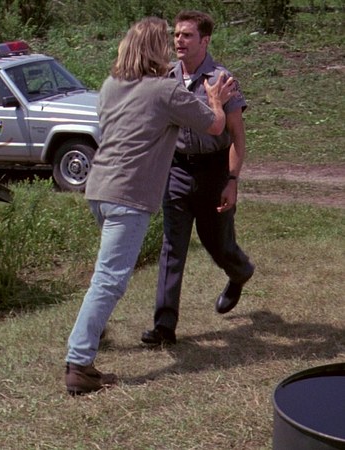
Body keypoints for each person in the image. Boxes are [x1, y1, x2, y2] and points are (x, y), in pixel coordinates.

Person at [64, 16, 237, 395]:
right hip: (128, 197)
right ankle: (79, 364)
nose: (174, 46)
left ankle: (93, 330)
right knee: (110, 279)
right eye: (167, 41)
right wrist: (214, 99)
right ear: (156, 50)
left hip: (98, 189)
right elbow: (214, 125)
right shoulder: (165, 90)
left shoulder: (110, 86)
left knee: (105, 274)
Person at [141, 11, 255, 347]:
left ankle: (240, 272)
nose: (179, 40)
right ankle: (164, 326)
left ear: (205, 40)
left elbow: (237, 137)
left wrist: (232, 180)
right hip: (177, 170)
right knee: (172, 247)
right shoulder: (166, 77)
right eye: (177, 34)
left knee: (218, 244)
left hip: (214, 171)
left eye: (187, 35)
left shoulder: (222, 80)